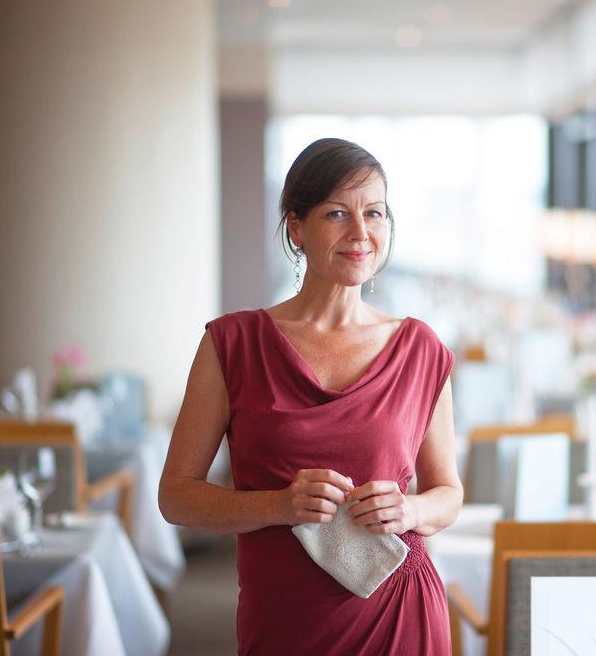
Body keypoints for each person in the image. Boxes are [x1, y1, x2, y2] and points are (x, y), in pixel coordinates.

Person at [158, 138, 462, 655]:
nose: (361, 233)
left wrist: (408, 513)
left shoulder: (421, 348)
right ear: (296, 227)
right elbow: (175, 497)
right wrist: (279, 505)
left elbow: (448, 494)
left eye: (376, 213)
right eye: (337, 213)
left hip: (398, 613)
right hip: (285, 620)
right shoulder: (232, 344)